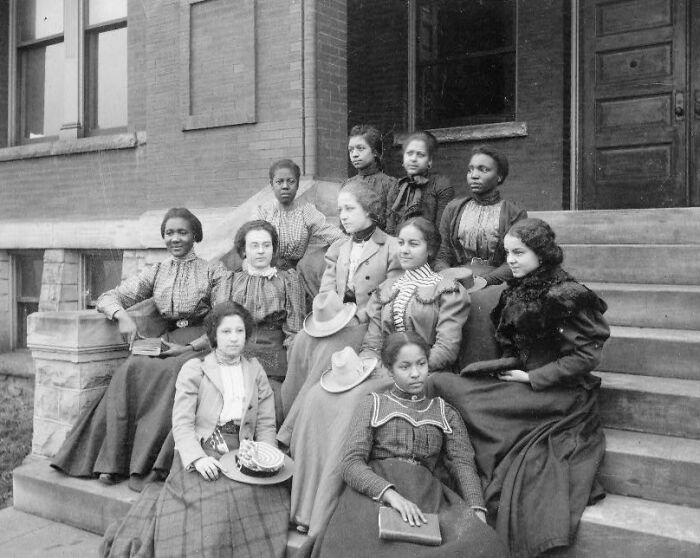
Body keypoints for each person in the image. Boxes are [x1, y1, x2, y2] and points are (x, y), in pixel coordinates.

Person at [430, 218, 610, 558]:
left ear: (541, 254)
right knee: (441, 384)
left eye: (519, 253)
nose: (510, 260)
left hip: (561, 392)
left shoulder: (566, 294)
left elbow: (587, 355)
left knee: (473, 405)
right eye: (507, 253)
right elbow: (514, 347)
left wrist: (533, 378)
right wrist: (502, 367)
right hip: (524, 378)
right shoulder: (518, 287)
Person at [52, 208, 231, 487]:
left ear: (195, 235)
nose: (175, 238)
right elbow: (109, 296)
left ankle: (145, 465)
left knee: (174, 373)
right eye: (169, 233)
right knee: (130, 369)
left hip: (200, 342)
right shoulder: (157, 271)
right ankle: (112, 462)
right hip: (168, 337)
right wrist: (122, 317)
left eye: (182, 232)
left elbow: (223, 319)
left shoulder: (213, 270)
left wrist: (188, 348)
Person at [101, 302, 290, 558]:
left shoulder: (255, 370)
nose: (234, 338)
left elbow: (266, 423)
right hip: (204, 449)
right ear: (214, 336)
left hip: (242, 451)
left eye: (239, 331)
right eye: (226, 332)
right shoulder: (196, 369)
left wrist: (263, 454)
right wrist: (197, 459)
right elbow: (182, 424)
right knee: (212, 506)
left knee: (261, 498)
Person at [299, 332, 506, 558]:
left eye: (421, 364)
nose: (416, 374)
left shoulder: (444, 411)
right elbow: (351, 463)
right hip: (375, 498)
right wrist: (391, 496)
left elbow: (463, 464)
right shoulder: (373, 403)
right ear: (389, 369)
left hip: (427, 498)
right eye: (405, 367)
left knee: (487, 544)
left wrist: (477, 510)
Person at [360, 217, 472, 374]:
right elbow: (372, 344)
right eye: (400, 243)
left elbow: (446, 348)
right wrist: (375, 369)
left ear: (430, 249)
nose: (404, 250)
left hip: (428, 374)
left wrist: (406, 372)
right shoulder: (385, 288)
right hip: (385, 373)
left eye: (413, 244)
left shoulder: (447, 290)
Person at [229, 220, 305, 424]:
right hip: (239, 351)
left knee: (272, 397)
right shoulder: (232, 281)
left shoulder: (288, 280)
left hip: (275, 354)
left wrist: (292, 366)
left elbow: (294, 329)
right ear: (243, 250)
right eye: (254, 246)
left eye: (266, 245)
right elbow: (222, 326)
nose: (261, 251)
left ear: (274, 249)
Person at [434, 144, 526, 285]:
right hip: (456, 281)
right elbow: (442, 253)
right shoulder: (453, 208)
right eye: (470, 170)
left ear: (499, 177)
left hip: (496, 283)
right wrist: (448, 277)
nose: (474, 176)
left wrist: (483, 281)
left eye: (483, 170)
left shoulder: (514, 213)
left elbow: (515, 261)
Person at [255, 159, 345, 300]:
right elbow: (252, 243)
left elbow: (336, 237)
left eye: (291, 181)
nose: (285, 186)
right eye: (279, 182)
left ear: (297, 185)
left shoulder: (306, 211)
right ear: (271, 185)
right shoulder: (264, 211)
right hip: (265, 271)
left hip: (295, 274)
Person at [318, 181, 402, 324]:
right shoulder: (338, 249)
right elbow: (327, 292)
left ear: (368, 209)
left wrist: (358, 318)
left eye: (349, 209)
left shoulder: (392, 247)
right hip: (339, 321)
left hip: (374, 323)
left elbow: (391, 296)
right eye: (340, 210)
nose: (343, 216)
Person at [385, 131, 454, 236]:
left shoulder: (441, 185)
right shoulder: (397, 186)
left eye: (420, 155)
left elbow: (443, 232)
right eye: (409, 153)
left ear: (430, 161)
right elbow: (390, 229)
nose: (413, 159)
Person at [342, 124, 397, 228]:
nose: (354, 154)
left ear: (374, 152)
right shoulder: (346, 185)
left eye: (360, 148)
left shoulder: (389, 184)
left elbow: (391, 225)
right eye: (351, 150)